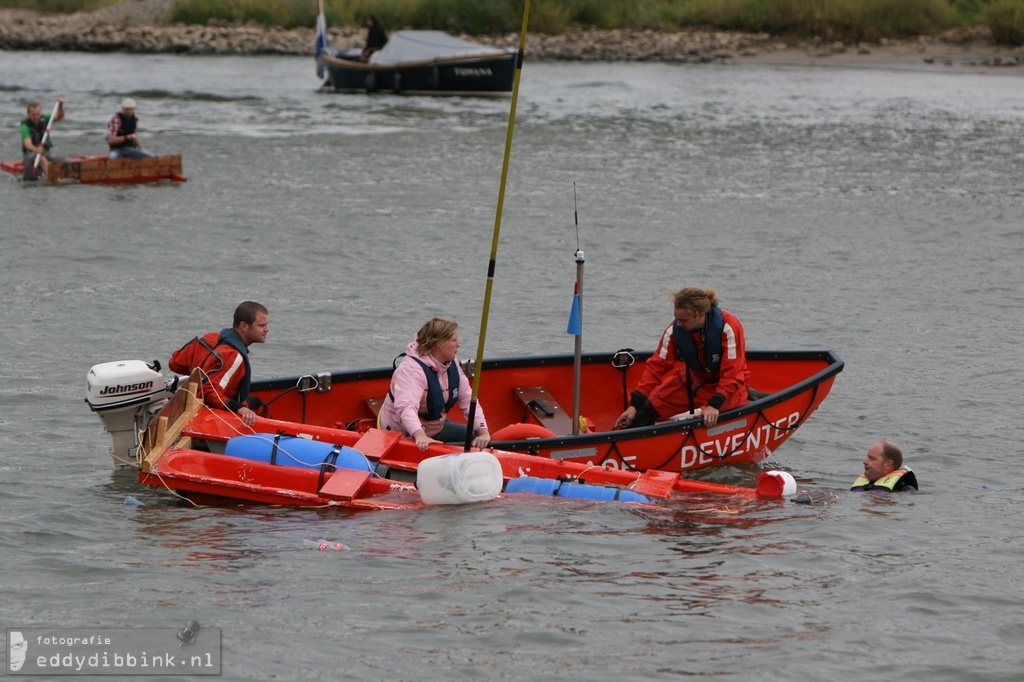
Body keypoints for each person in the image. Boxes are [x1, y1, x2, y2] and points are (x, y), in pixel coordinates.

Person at [616, 286, 750, 429]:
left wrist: (713, 405)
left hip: (726, 387)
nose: (678, 323)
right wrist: (635, 405)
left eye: (683, 320)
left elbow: (732, 373)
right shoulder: (674, 330)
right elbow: (656, 366)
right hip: (692, 381)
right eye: (676, 317)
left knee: (720, 419)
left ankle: (749, 395)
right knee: (644, 414)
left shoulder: (728, 326)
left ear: (701, 315)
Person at [379, 317, 491, 452]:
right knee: (470, 442)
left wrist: (482, 430)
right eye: (454, 340)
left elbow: (467, 398)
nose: (459, 345)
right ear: (439, 344)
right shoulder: (412, 370)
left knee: (477, 439)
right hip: (405, 432)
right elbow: (406, 408)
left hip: (433, 424)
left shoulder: (451, 361)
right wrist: (420, 435)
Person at [168, 301, 270, 427]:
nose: (267, 329)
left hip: (189, 404)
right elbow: (208, 391)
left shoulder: (210, 337)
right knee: (257, 405)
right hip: (209, 413)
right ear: (244, 326)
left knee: (253, 401)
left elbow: (175, 362)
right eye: (261, 325)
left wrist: (202, 368)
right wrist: (238, 408)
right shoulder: (234, 357)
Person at [20, 98, 65, 178]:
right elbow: (28, 144)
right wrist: (36, 149)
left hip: (45, 153)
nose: (36, 117)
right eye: (33, 115)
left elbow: (59, 117)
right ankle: (50, 177)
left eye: (37, 114)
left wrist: (60, 106)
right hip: (30, 155)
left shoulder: (45, 118)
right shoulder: (25, 126)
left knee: (64, 160)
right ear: (28, 114)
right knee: (42, 159)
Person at [851, 440, 918, 492]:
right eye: (867, 457)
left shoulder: (905, 492)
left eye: (872, 458)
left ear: (888, 465)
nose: (865, 462)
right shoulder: (863, 486)